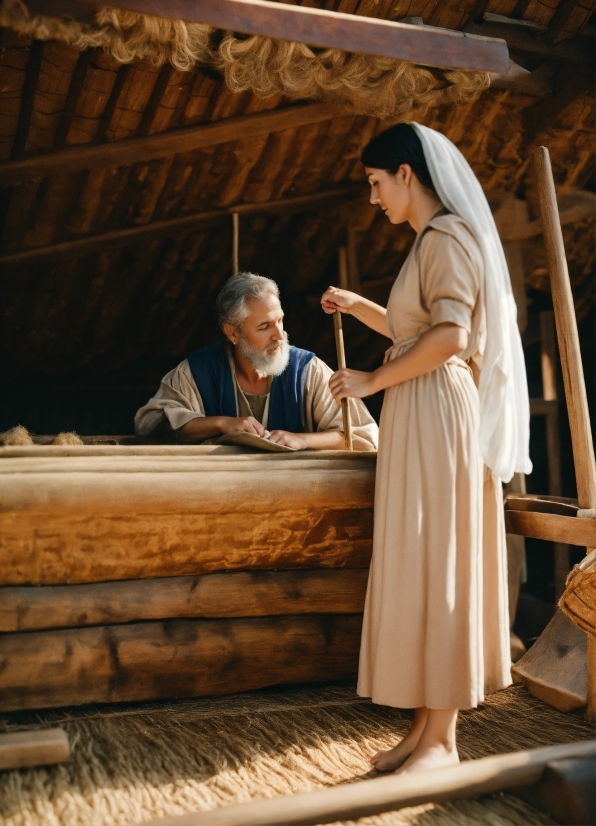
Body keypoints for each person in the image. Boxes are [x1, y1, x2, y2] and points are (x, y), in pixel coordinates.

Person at [321, 123, 531, 774]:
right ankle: (423, 731)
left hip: (436, 408)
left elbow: (448, 336)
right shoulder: (427, 244)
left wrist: (371, 381)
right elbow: (415, 329)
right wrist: (359, 306)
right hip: (424, 407)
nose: (374, 197)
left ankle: (443, 741)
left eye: (377, 184)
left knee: (440, 555)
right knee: (424, 553)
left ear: (407, 175)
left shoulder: (447, 238)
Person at [135, 271, 378, 450]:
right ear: (232, 333)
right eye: (264, 327)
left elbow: (365, 438)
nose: (279, 334)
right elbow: (150, 424)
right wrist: (221, 424)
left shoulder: (308, 371)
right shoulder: (199, 371)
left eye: (280, 320)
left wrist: (303, 440)